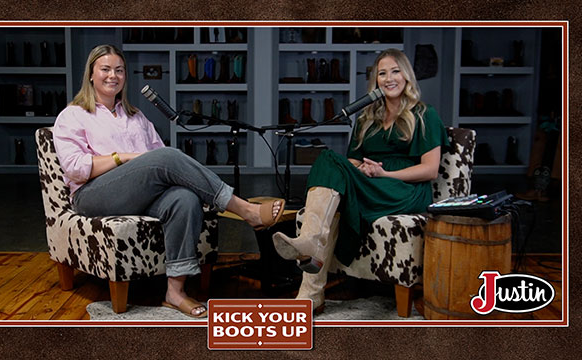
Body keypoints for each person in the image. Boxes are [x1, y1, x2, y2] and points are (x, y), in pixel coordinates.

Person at [52, 45, 285, 318]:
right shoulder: (73, 115)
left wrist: (145, 164)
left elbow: (157, 163)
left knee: (183, 199)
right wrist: (123, 158)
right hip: (92, 195)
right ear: (91, 75)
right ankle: (245, 210)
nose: (112, 75)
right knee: (166, 157)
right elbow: (75, 168)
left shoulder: (136, 116)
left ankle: (175, 291)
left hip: (138, 193)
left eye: (119, 70)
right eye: (105, 69)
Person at [272, 48, 449, 313]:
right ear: (375, 81)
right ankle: (310, 290)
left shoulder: (425, 114)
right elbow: (352, 162)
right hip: (371, 184)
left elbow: (430, 170)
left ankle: (310, 259)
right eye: (382, 73)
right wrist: (362, 170)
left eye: (395, 71)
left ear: (407, 76)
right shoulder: (368, 118)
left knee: (333, 179)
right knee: (329, 161)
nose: (389, 78)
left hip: (404, 189)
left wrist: (385, 173)